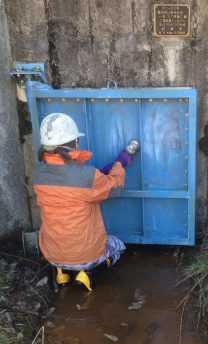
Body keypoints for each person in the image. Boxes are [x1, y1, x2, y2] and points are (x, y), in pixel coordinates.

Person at [33, 113, 138, 291]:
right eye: (76, 140)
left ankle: (62, 273)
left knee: (61, 247)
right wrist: (120, 163)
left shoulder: (38, 174)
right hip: (84, 254)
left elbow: (67, 182)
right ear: (72, 144)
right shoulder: (88, 176)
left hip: (51, 252)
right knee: (117, 246)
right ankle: (88, 274)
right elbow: (113, 186)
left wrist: (96, 175)